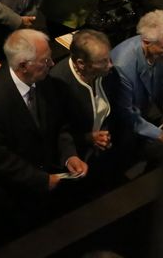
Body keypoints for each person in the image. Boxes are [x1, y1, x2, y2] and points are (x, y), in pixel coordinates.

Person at [0, 29, 87, 236]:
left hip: (44, 176)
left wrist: (69, 155)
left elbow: (59, 124)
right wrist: (40, 180)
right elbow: (0, 159)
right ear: (23, 66)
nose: (51, 64)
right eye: (45, 60)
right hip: (12, 194)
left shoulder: (43, 81)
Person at [50, 30, 133, 179]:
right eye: (103, 61)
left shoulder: (106, 74)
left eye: (109, 58)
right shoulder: (57, 83)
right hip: (78, 160)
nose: (110, 65)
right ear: (81, 64)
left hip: (105, 153)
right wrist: (88, 138)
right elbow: (56, 133)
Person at [111, 10, 163, 152]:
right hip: (120, 123)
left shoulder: (162, 53)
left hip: (140, 113)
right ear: (146, 42)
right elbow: (125, 113)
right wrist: (160, 135)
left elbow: (160, 85)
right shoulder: (121, 66)